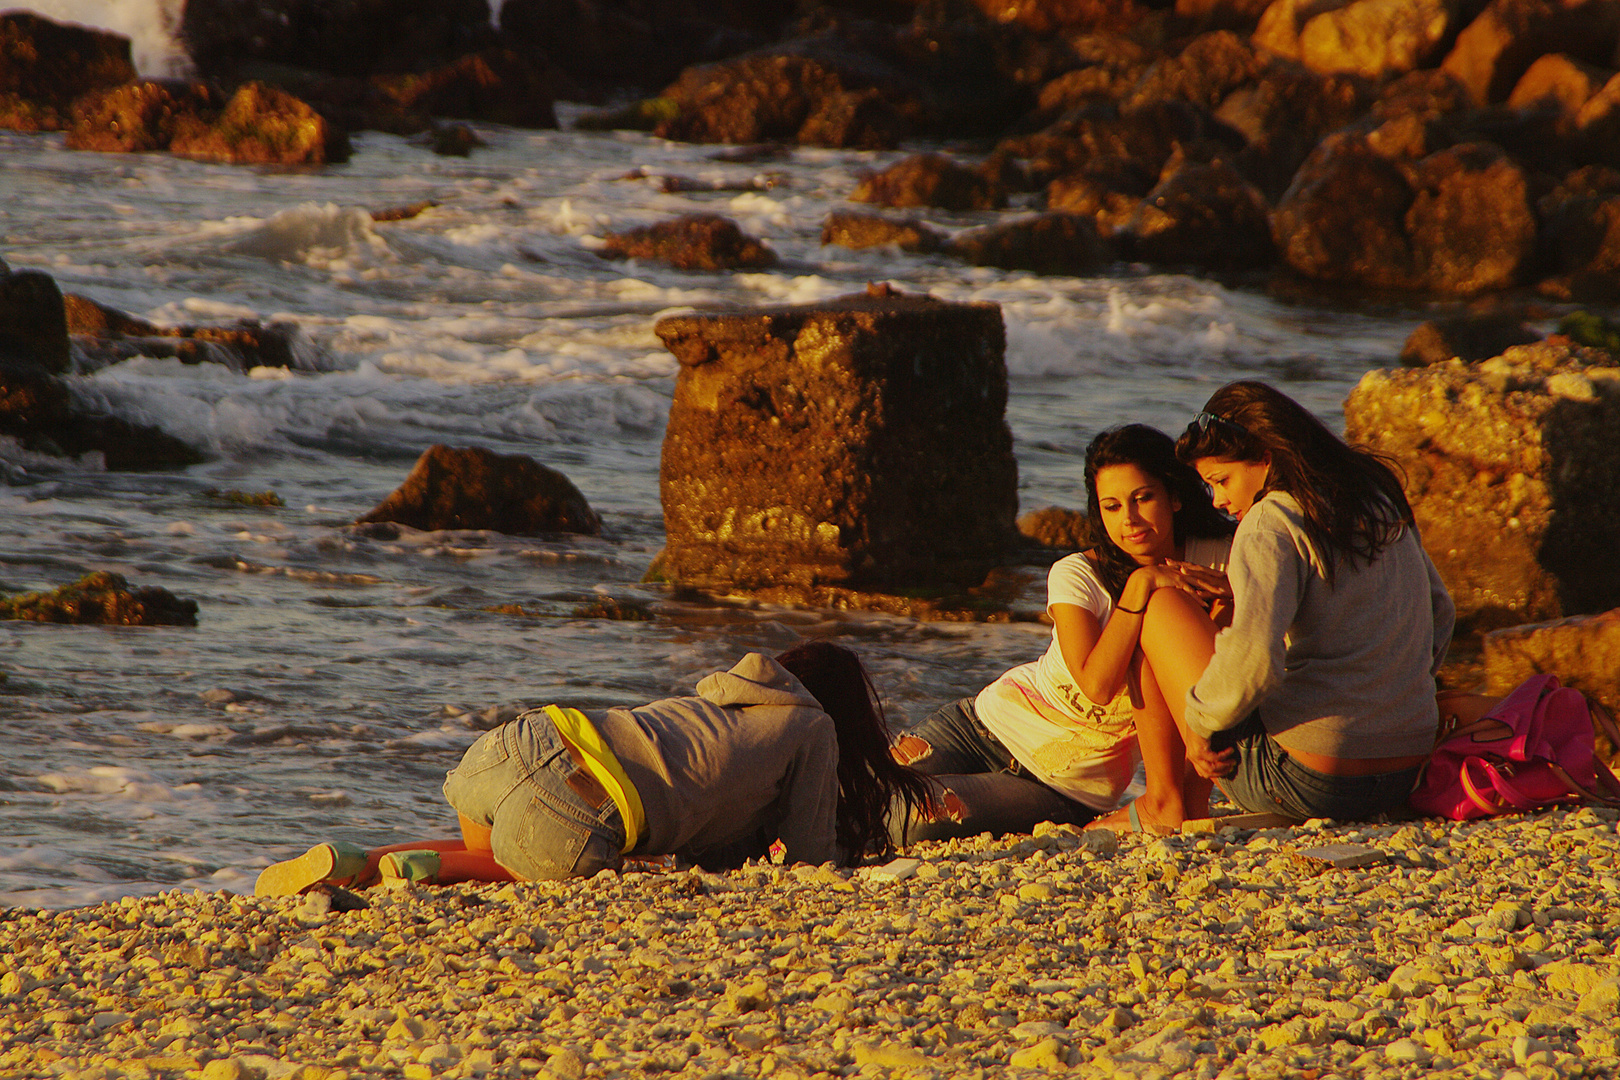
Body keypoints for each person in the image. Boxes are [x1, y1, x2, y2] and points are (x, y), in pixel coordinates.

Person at [255, 642, 935, 894]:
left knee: (489, 841)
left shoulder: (716, 699)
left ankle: (353, 857)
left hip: (515, 743)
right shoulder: (812, 726)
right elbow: (812, 859)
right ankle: (424, 873)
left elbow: (709, 828)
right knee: (518, 863)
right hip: (576, 806)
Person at [1100, 380, 1455, 831]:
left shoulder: (1270, 520)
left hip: (1311, 779)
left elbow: (1255, 661)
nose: (1220, 502)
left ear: (1266, 456)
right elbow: (1439, 612)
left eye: (1222, 481)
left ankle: (1164, 800)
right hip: (1405, 771)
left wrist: (1200, 727)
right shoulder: (1376, 499)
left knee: (1159, 604)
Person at [891, 424, 1235, 843]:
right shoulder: (1078, 572)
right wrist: (1140, 585)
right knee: (857, 789)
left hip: (1062, 785)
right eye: (1111, 506)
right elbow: (1095, 681)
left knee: (909, 817)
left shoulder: (1219, 558)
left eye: (1142, 499)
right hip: (979, 725)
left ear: (1175, 495)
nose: (1128, 520)